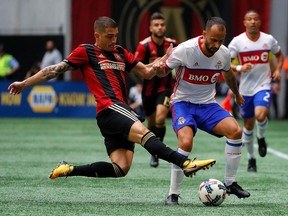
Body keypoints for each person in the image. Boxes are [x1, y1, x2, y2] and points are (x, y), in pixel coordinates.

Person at [8, 16, 216, 183]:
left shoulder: (120, 52)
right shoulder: (86, 51)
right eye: (109, 36)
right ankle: (185, 163)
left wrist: (163, 62)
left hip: (116, 114)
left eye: (115, 36)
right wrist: (24, 84)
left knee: (120, 168)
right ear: (96, 35)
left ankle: (68, 169)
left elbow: (147, 73)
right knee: (145, 133)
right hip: (110, 108)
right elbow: (52, 70)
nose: (113, 40)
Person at [153, 16, 251, 205]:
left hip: (207, 105)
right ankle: (172, 194)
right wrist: (159, 67)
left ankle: (230, 183)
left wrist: (237, 94)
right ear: (204, 34)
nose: (216, 44)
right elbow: (163, 71)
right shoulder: (186, 50)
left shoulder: (223, 53)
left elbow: (228, 75)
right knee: (186, 142)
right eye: (213, 39)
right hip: (182, 103)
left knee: (235, 131)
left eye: (220, 40)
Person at [228, 10, 284, 172]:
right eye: (249, 19)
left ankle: (261, 137)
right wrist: (239, 67)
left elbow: (279, 56)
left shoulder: (268, 40)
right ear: (244, 22)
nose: (252, 22)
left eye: (255, 19)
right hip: (245, 89)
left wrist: (278, 70)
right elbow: (225, 63)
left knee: (261, 114)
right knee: (248, 125)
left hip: (263, 85)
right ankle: (251, 159)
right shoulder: (237, 42)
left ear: (259, 22)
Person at [134, 12, 179, 167]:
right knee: (151, 124)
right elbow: (136, 68)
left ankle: (157, 153)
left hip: (166, 88)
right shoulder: (143, 46)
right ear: (150, 28)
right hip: (148, 91)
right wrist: (155, 65)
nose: (160, 28)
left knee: (160, 118)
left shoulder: (173, 44)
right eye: (156, 25)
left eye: (162, 25)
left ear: (165, 26)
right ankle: (154, 150)